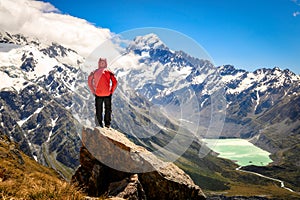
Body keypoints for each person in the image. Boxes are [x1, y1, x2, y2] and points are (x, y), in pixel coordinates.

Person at [88, 58, 117, 128]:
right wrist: (111, 91)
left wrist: (93, 91)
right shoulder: (109, 72)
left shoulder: (94, 72)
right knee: (108, 108)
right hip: (107, 94)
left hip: (98, 94)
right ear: (106, 63)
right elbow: (115, 82)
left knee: (98, 109)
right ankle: (107, 124)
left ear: (98, 63)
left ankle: (99, 124)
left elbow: (89, 81)